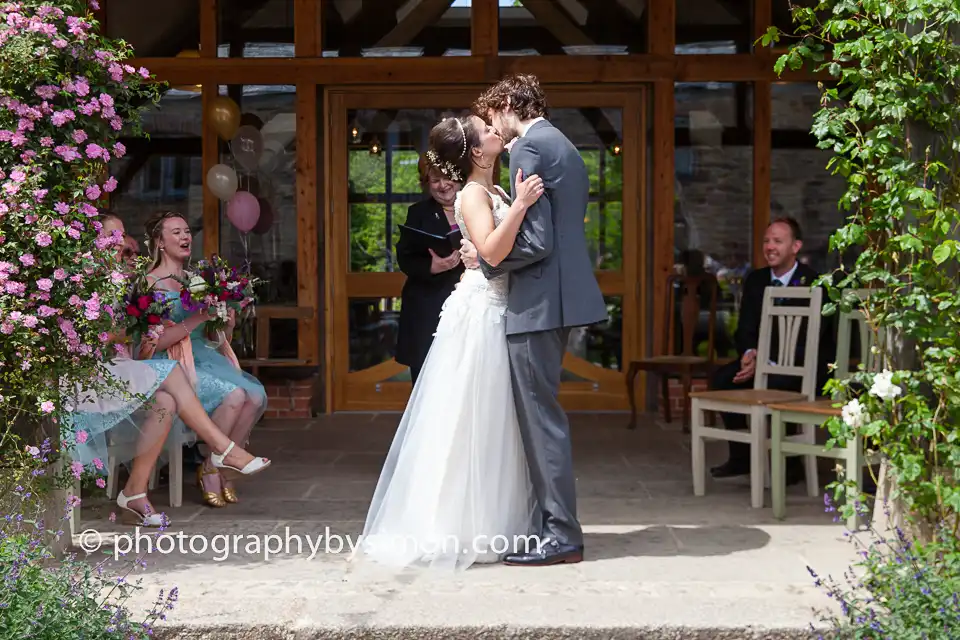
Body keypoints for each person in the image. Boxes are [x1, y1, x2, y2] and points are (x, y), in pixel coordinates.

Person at [351, 112, 546, 572]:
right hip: (478, 312)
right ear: (477, 152)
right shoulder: (476, 194)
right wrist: (517, 208)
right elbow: (494, 252)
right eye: (487, 130)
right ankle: (453, 525)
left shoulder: (494, 190)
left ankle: (497, 520)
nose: (497, 131)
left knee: (495, 420)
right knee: (466, 417)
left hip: (497, 307)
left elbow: (491, 251)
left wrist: (509, 209)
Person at [458, 73, 608, 566]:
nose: (493, 128)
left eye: (492, 114)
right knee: (543, 418)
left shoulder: (529, 149)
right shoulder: (561, 143)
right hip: (557, 297)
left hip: (539, 301)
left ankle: (562, 535)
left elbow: (537, 241)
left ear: (506, 105)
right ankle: (549, 526)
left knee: (541, 423)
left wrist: (488, 259)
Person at [65, 214, 272, 526]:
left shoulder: (123, 280)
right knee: (174, 372)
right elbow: (110, 337)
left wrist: (219, 321)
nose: (121, 242)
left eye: (122, 235)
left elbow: (131, 334)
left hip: (125, 366)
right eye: (112, 235)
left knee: (168, 400)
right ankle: (222, 450)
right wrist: (144, 326)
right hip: (98, 371)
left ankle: (134, 493)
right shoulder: (86, 280)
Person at [140, 210, 267, 508]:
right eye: (176, 232)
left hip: (204, 356)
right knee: (234, 396)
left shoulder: (196, 279)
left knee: (255, 396)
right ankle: (213, 469)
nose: (186, 237)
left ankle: (215, 466)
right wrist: (197, 318)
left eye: (187, 231)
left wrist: (225, 323)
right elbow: (151, 346)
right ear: (159, 241)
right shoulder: (149, 283)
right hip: (171, 362)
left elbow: (212, 336)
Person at [707, 217, 835, 480]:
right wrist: (749, 354)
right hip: (761, 363)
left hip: (804, 365)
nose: (770, 247)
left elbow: (813, 338)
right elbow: (744, 328)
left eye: (778, 241)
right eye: (766, 241)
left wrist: (767, 361)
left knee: (780, 385)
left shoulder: (814, 283)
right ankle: (741, 457)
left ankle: (791, 463)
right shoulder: (755, 280)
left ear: (795, 246)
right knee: (722, 380)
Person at [394, 155, 464, 385]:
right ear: (427, 183)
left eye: (448, 178)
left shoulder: (476, 205)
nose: (442, 185)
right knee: (426, 381)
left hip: (467, 307)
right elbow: (405, 256)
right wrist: (432, 266)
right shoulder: (418, 212)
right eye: (435, 180)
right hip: (427, 306)